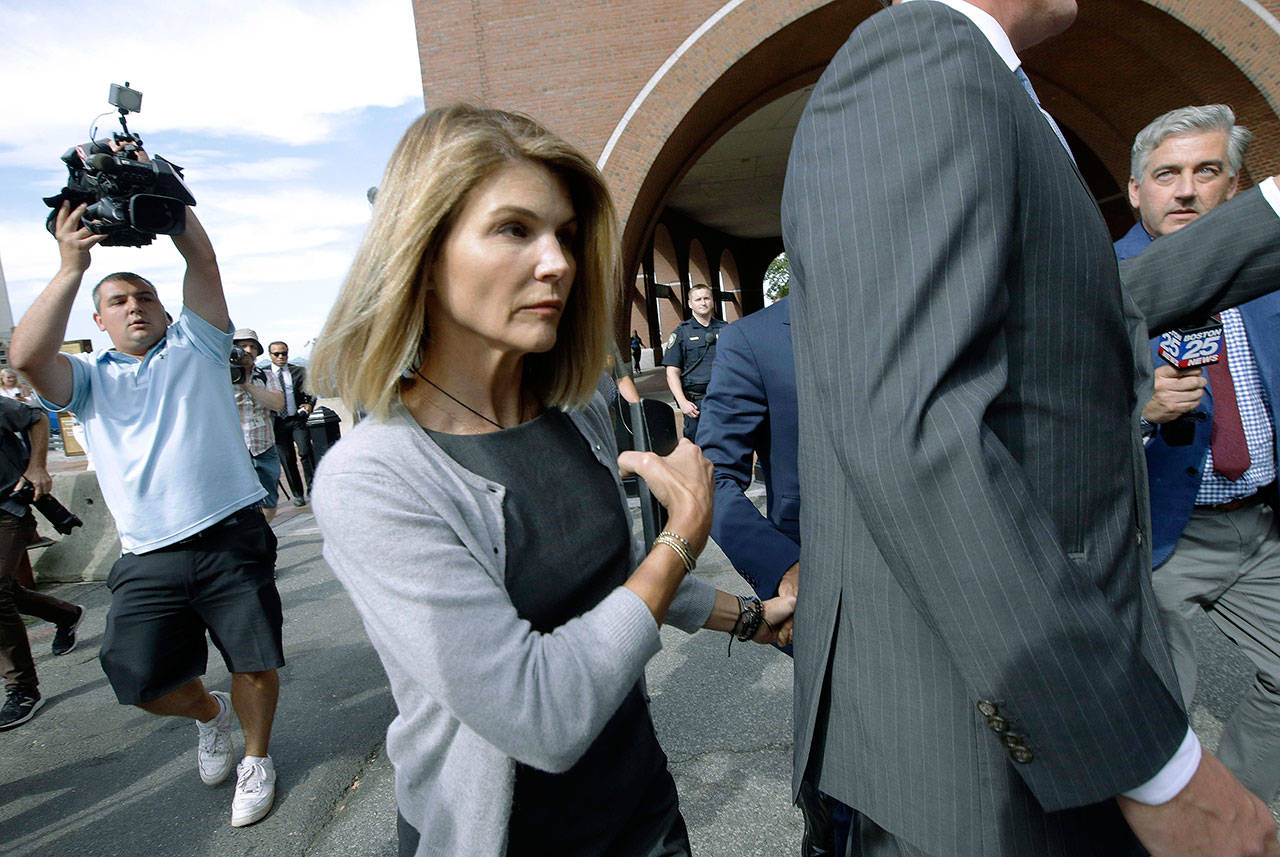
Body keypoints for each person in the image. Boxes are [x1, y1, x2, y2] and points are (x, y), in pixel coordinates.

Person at [781, 1, 1280, 855]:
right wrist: (1153, 766)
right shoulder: (920, 56)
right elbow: (915, 429)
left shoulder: (980, 81)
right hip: (975, 745)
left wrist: (1269, 210)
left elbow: (1080, 312)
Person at [309, 104, 794, 857]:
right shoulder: (372, 477)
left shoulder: (572, 413)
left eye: (565, 235)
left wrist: (754, 618)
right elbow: (541, 714)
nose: (558, 262)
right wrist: (682, 535)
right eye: (514, 229)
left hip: (643, 810)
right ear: (422, 252)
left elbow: (609, 583)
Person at [10, 143, 284, 828]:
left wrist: (167, 199)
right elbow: (26, 356)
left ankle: (256, 758)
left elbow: (203, 263)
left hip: (230, 534)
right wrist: (72, 266)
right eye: (118, 301)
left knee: (254, 660)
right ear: (98, 321)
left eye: (145, 297)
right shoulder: (87, 380)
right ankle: (210, 714)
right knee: (138, 678)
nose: (134, 306)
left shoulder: (198, 344)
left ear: (164, 310)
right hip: (148, 553)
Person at [1117, 104, 1280, 805]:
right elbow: (1047, 422)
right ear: (1135, 191)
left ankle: (1228, 818)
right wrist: (1139, 411)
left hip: (1259, 524)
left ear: (1234, 185)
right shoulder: (1098, 281)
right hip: (1153, 533)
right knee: (1158, 714)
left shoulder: (1269, 277)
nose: (1186, 190)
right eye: (1166, 174)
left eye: (1206, 171)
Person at [696, 295, 849, 856]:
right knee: (844, 793)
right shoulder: (754, 339)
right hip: (828, 600)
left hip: (946, 589)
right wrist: (784, 567)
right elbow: (714, 480)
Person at [0, 400, 84, 730]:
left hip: (8, 509)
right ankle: (66, 614)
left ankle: (22, 689)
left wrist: (37, 467)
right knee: (6, 591)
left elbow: (36, 417)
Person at [232, 329, 285, 523]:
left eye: (253, 346)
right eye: (243, 346)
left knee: (270, 502)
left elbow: (278, 404)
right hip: (236, 451)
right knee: (240, 506)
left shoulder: (266, 376)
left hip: (264, 447)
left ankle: (264, 532)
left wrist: (245, 384)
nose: (248, 350)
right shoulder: (219, 376)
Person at [663, 283, 726, 441]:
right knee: (697, 446)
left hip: (724, 399)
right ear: (690, 304)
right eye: (698, 299)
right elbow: (672, 372)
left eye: (706, 298)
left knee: (727, 444)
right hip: (696, 404)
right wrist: (682, 402)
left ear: (712, 301)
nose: (703, 303)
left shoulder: (725, 329)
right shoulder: (681, 333)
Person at [267, 341, 316, 506]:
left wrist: (309, 404)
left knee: (305, 452)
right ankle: (298, 494)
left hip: (297, 420)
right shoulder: (264, 374)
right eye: (276, 354)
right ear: (270, 356)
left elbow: (311, 391)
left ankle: (312, 489)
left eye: (284, 353)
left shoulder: (298, 371)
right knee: (287, 459)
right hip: (277, 423)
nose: (281, 357)